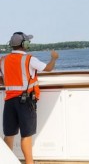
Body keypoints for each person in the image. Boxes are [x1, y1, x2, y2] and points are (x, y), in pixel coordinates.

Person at [0, 32, 59, 164]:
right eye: (28, 42)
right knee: (26, 136)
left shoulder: (3, 60)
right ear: (24, 44)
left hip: (9, 101)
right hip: (25, 102)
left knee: (9, 135)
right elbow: (48, 68)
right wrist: (54, 58)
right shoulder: (29, 59)